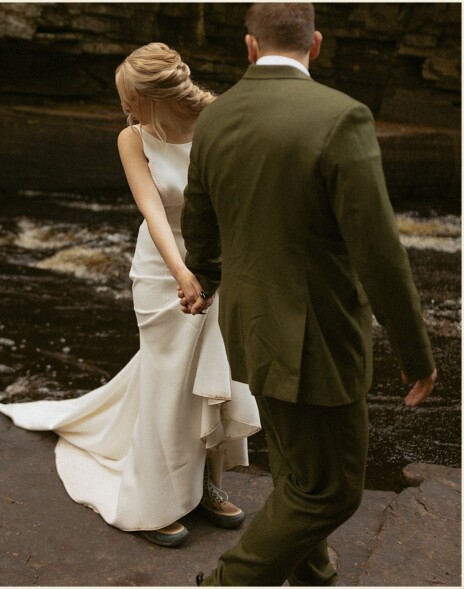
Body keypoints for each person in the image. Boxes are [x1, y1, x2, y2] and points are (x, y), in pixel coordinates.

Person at [180, 4, 437, 585]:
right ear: (314, 44)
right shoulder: (340, 117)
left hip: (248, 326)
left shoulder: (215, 119)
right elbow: (378, 251)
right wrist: (415, 352)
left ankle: (311, 574)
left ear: (250, 47)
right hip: (317, 337)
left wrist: (209, 279)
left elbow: (199, 221)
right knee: (333, 492)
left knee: (299, 471)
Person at [0, 43, 261, 548]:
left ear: (154, 93)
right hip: (163, 273)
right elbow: (154, 213)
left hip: (220, 266)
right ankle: (154, 502)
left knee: (212, 377)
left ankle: (208, 486)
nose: (125, 108)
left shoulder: (219, 122)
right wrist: (183, 273)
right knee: (168, 383)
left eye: (129, 98)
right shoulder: (133, 139)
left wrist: (222, 269)